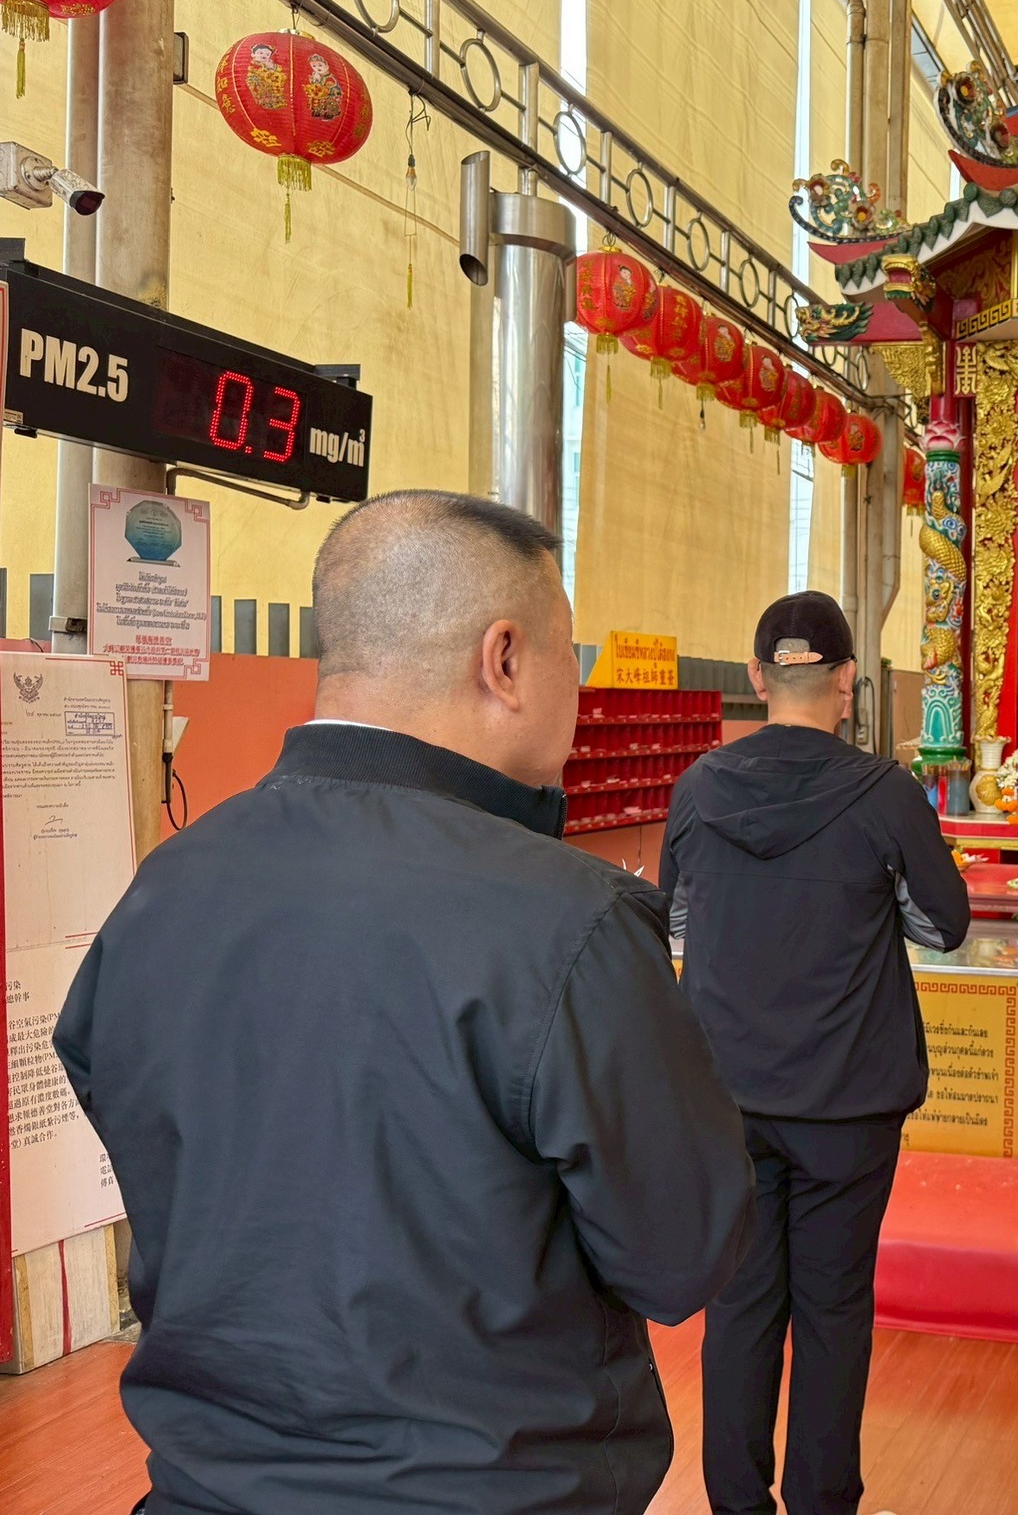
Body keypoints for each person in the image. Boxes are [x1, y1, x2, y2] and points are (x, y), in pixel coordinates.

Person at [55, 491, 756, 1515]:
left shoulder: (165, 887)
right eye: (570, 654)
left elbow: (132, 1120)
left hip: (205, 1488)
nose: (577, 686)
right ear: (504, 659)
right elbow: (680, 1257)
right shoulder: (572, 922)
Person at [660, 590, 971, 1515]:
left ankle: (736, 1501)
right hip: (848, 1102)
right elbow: (944, 924)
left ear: (757, 679)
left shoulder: (699, 787)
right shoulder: (884, 792)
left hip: (728, 1096)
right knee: (833, 1309)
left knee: (739, 1302)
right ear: (847, 681)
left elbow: (674, 922)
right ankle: (823, 1500)